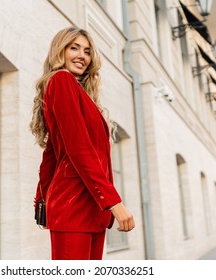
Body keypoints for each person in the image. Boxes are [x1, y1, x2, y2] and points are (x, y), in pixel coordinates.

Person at [29, 26, 135, 260]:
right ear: (60, 51)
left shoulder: (78, 92)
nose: (82, 56)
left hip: (90, 208)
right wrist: (114, 203)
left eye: (87, 51)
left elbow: (53, 153)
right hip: (74, 206)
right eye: (74, 48)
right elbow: (79, 150)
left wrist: (42, 200)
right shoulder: (61, 80)